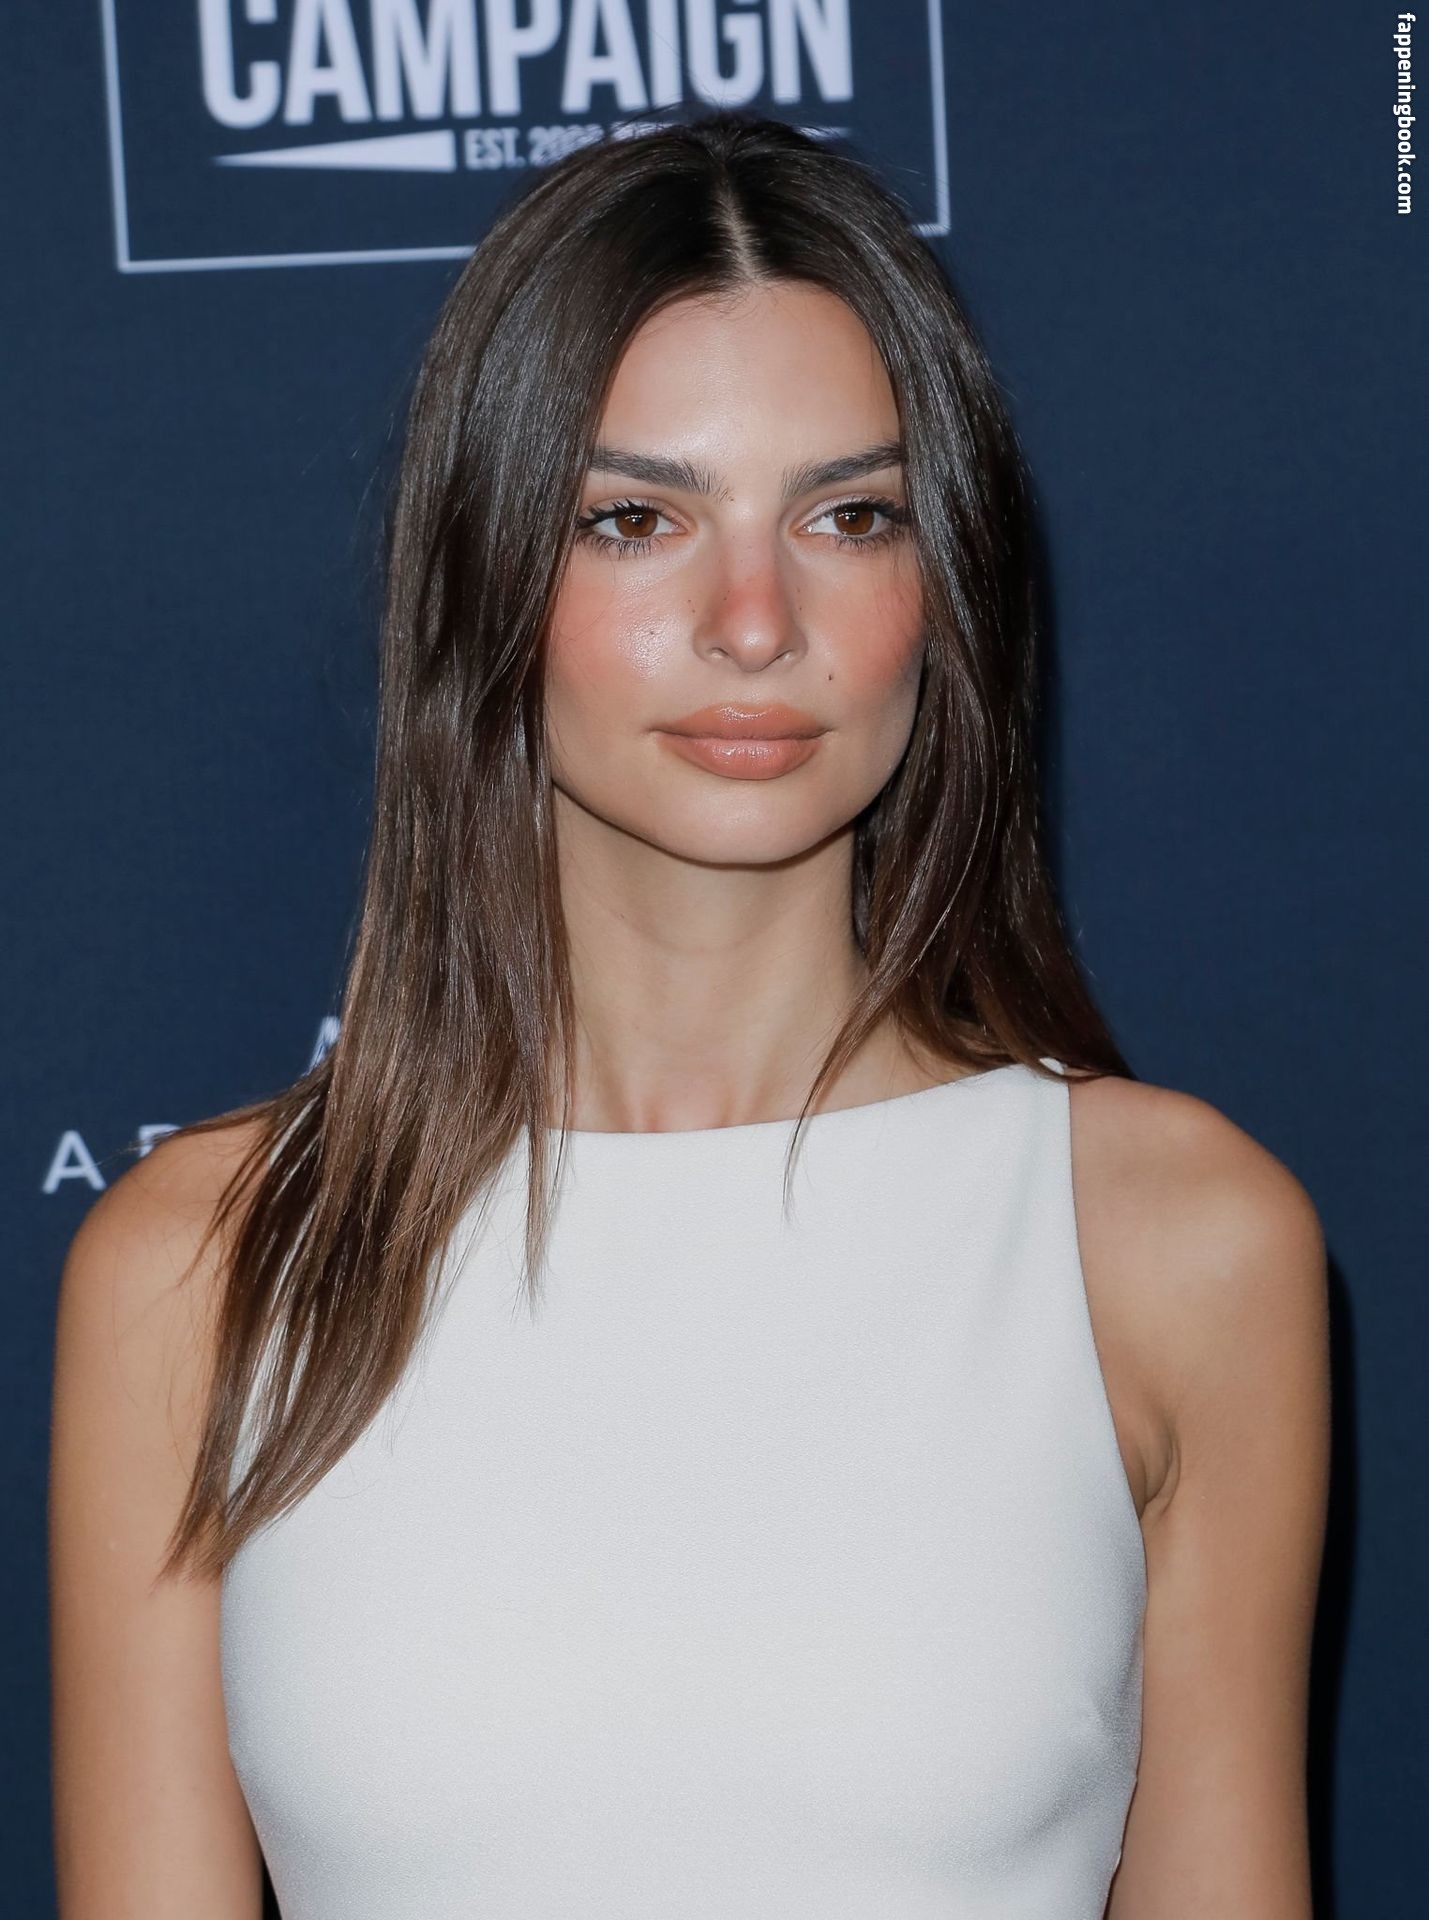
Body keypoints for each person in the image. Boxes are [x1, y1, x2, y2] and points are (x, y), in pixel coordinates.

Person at [48, 111, 1329, 1918]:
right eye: (634, 519)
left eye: (848, 516)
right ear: (490, 573)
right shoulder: (203, 1271)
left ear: (943, 588)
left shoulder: (1173, 1242)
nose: (751, 621)